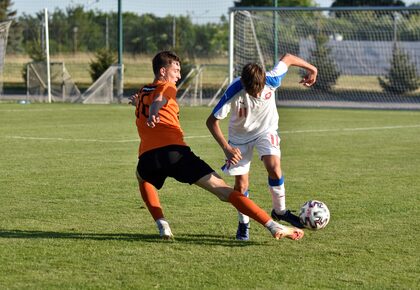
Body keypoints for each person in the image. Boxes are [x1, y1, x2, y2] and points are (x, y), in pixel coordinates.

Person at [130, 50, 304, 241]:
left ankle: (162, 224)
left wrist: (139, 103)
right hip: (176, 154)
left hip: (147, 157)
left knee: (143, 178)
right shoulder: (168, 87)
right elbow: (159, 99)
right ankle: (272, 225)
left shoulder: (143, 92)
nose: (178, 76)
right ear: (163, 71)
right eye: (176, 70)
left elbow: (150, 101)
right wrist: (155, 110)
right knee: (224, 191)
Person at [206, 53, 317, 241]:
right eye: (253, 92)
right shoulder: (235, 89)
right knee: (241, 186)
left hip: (266, 130)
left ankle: (280, 211)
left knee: (274, 166)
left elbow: (288, 58)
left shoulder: (272, 79)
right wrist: (226, 148)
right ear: (244, 84)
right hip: (239, 139)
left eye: (260, 91)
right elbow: (211, 122)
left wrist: (312, 69)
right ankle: (244, 223)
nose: (257, 95)